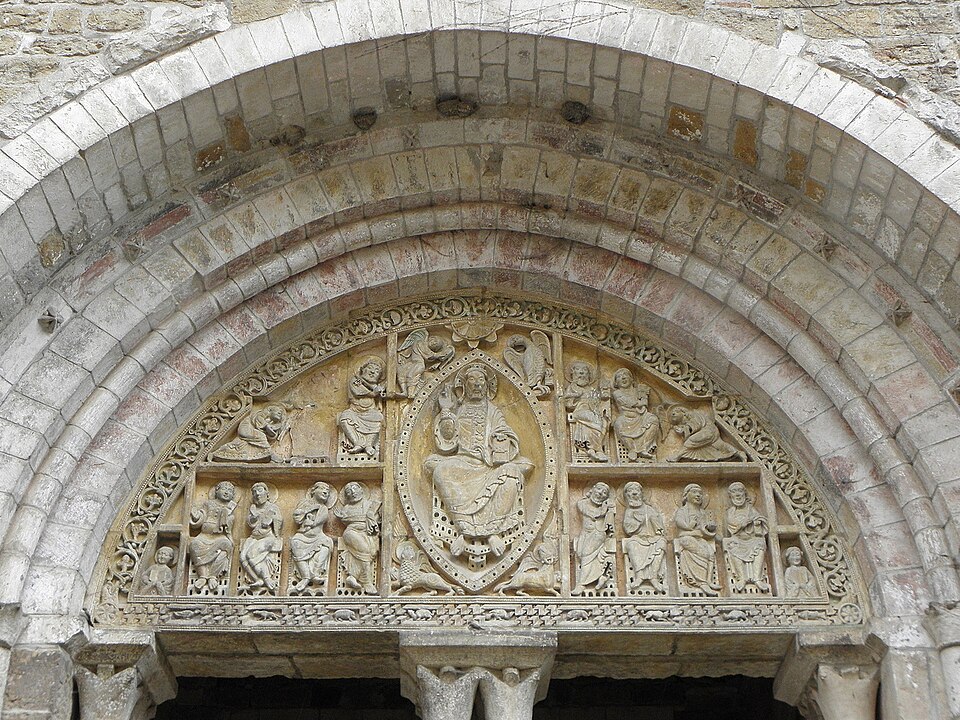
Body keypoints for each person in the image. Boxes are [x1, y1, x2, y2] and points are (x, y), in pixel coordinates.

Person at [424, 364, 533, 558]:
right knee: (438, 469)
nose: (476, 385)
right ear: (464, 385)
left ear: (486, 385)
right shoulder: (459, 409)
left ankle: (492, 531)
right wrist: (447, 411)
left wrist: (495, 447)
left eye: (480, 380)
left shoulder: (493, 412)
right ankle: (464, 530)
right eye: (471, 380)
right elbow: (447, 440)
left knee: (517, 470)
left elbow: (505, 434)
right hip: (462, 464)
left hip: (489, 466)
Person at [188, 481, 237, 594]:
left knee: (227, 546)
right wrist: (196, 516)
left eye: (230, 491)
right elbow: (202, 515)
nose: (226, 492)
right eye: (224, 489)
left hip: (219, 537)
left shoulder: (230, 509)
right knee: (194, 545)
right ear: (216, 491)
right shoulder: (208, 504)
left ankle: (213, 576)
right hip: (204, 536)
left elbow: (228, 528)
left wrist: (227, 518)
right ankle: (203, 576)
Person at [673, 483, 720, 595]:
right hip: (686, 538)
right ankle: (702, 583)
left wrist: (710, 528)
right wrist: (690, 526)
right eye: (694, 492)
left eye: (700, 493)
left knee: (710, 553)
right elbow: (679, 522)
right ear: (686, 495)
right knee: (704, 553)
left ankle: (709, 581)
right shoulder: (683, 511)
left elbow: (705, 531)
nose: (698, 495)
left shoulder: (703, 513)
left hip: (700, 539)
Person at [722, 482, 770, 592]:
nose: (738, 494)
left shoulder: (751, 510)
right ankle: (741, 578)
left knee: (760, 544)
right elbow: (729, 529)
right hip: (737, 540)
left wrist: (757, 523)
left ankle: (758, 578)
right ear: (730, 496)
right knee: (731, 545)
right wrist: (741, 525)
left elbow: (761, 521)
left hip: (752, 539)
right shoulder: (730, 512)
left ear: (745, 493)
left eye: (740, 491)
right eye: (734, 492)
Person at [289, 482, 336, 593]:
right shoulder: (304, 503)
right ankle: (306, 577)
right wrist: (308, 509)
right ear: (313, 491)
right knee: (295, 542)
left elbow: (317, 522)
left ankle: (315, 574)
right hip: (303, 536)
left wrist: (310, 519)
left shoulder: (323, 508)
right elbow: (297, 518)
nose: (326, 492)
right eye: (323, 489)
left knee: (327, 545)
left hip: (318, 537)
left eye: (328, 491)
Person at [335, 481, 381, 594]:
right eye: (349, 491)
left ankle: (353, 576)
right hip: (352, 532)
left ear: (361, 490)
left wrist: (371, 517)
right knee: (365, 550)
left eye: (355, 489)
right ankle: (367, 582)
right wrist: (342, 517)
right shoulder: (346, 508)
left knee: (372, 551)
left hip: (367, 532)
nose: (353, 492)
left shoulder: (371, 504)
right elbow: (346, 519)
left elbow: (377, 518)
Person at [621, 482, 667, 593]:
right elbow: (627, 528)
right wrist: (638, 522)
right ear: (627, 495)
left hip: (652, 538)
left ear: (642, 494)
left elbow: (659, 526)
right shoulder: (629, 511)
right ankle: (639, 576)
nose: (634, 493)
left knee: (662, 542)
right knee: (631, 544)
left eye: (637, 490)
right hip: (637, 539)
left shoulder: (649, 509)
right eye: (631, 491)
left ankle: (654, 577)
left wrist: (657, 526)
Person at [572, 482, 615, 595]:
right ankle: (602, 576)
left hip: (598, 533)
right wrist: (603, 510)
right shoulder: (582, 503)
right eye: (599, 489)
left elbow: (610, 524)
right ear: (593, 489)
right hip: (585, 533)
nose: (600, 493)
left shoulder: (605, 507)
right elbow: (591, 514)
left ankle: (581, 584)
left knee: (586, 554)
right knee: (581, 554)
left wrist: (610, 510)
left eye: (604, 493)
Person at [338, 357, 386, 458]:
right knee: (345, 417)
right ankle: (357, 443)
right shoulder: (356, 381)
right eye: (370, 368)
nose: (373, 372)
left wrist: (380, 393)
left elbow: (380, 400)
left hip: (370, 411)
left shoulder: (375, 386)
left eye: (377, 371)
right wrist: (373, 393)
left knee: (378, 417)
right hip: (355, 410)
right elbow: (357, 392)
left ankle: (369, 444)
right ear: (363, 369)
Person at [239, 482, 283, 592]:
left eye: (260, 491)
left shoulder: (273, 507)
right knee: (242, 557)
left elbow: (279, 522)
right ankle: (257, 579)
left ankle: (267, 578)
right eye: (254, 493)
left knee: (251, 554)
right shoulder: (253, 508)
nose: (257, 494)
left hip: (268, 537)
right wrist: (253, 518)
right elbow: (250, 524)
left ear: (267, 494)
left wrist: (271, 520)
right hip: (254, 537)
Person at [212, 404, 291, 462]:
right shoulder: (261, 414)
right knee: (261, 436)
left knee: (242, 444)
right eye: (278, 412)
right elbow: (258, 421)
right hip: (245, 428)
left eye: (281, 415)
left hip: (249, 431)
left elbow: (271, 434)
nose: (279, 415)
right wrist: (266, 427)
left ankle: (226, 449)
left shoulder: (270, 421)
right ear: (270, 410)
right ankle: (268, 453)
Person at [564, 360, 609, 462]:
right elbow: (567, 403)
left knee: (604, 422)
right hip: (580, 412)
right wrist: (575, 395)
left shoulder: (592, 390)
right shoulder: (573, 387)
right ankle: (597, 449)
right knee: (595, 420)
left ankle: (593, 450)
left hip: (593, 413)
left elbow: (597, 403)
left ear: (589, 375)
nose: (581, 373)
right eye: (578, 371)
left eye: (584, 371)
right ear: (573, 375)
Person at [665, 406, 746, 462]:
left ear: (683, 412)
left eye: (675, 412)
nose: (673, 414)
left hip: (708, 431)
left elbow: (696, 425)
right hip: (711, 433)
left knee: (689, 442)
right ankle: (738, 453)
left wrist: (684, 430)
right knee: (720, 445)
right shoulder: (685, 422)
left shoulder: (691, 414)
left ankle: (677, 456)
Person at [611, 368, 660, 461]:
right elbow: (628, 402)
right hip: (626, 418)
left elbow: (645, 403)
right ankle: (632, 449)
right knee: (618, 424)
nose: (623, 378)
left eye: (626, 375)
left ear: (632, 379)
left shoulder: (639, 390)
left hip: (641, 416)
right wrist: (640, 402)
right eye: (619, 377)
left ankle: (644, 447)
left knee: (653, 419)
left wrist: (643, 397)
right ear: (616, 383)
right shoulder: (617, 393)